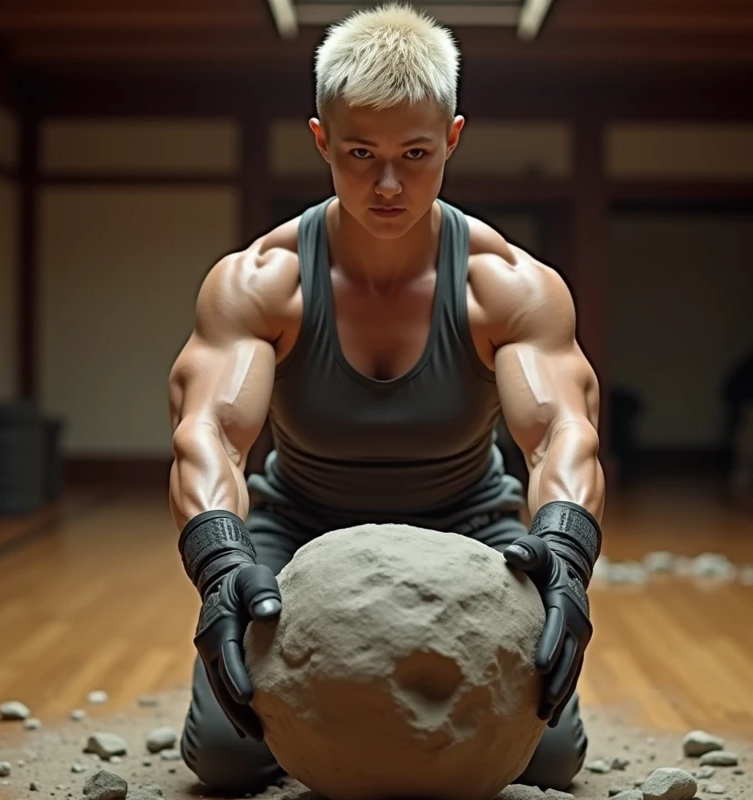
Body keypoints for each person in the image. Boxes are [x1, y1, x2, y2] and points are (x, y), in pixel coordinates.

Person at [166, 3, 606, 793]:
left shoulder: (503, 287)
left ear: (454, 139)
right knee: (226, 755)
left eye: (416, 153)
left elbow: (560, 433)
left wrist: (567, 553)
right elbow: (210, 434)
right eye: (361, 153)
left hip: (473, 529)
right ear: (321, 139)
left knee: (549, 754)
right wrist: (221, 561)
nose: (390, 183)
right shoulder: (264, 282)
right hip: (294, 530)